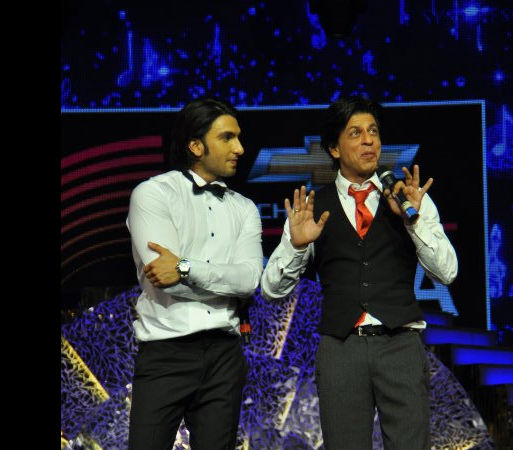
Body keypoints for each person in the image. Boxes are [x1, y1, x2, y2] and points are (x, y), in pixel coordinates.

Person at [261, 96, 458, 450]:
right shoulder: (313, 207)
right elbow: (271, 289)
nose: (369, 140)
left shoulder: (409, 199)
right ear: (334, 148)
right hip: (341, 349)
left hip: (400, 344)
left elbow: (448, 272)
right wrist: (297, 246)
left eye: (373, 131)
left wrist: (412, 223)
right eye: (356, 133)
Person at [126, 98, 263, 450]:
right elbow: (164, 278)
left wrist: (186, 269)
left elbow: (249, 281)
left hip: (224, 356)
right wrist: (223, 282)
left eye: (238, 138)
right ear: (196, 146)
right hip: (165, 352)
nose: (240, 148)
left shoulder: (244, 209)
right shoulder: (153, 194)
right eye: (227, 138)